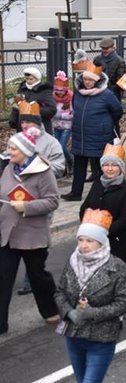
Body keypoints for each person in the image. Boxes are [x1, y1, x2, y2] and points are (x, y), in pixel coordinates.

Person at [54, 209, 126, 383]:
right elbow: (60, 292)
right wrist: (69, 312)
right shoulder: (73, 261)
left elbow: (123, 302)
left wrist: (92, 314)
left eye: (89, 241)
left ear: (101, 242)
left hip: (101, 339)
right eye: (81, 240)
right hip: (74, 337)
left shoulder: (116, 266)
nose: (84, 245)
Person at [0, 128, 60, 334]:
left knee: (37, 275)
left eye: (13, 148)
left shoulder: (43, 172)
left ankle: (52, 310)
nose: (8, 151)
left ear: (25, 151)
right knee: (3, 277)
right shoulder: (9, 168)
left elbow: (53, 201)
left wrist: (26, 207)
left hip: (32, 235)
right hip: (8, 233)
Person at [63, 62, 121, 201]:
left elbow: (117, 110)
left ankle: (101, 193)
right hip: (80, 134)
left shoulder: (106, 94)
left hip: (98, 135)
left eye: (91, 80)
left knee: (99, 167)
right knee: (79, 164)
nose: (87, 82)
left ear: (97, 81)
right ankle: (76, 192)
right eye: (86, 79)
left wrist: (104, 124)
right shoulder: (78, 93)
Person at [79, 142, 126, 267]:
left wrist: (102, 232)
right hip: (93, 241)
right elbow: (85, 207)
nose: (109, 169)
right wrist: (87, 229)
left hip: (116, 242)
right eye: (106, 165)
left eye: (114, 165)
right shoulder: (97, 184)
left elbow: (125, 219)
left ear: (120, 167)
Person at [9, 67, 55, 134]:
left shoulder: (44, 91)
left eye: (31, 79)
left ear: (37, 79)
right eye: (27, 79)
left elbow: (52, 110)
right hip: (23, 127)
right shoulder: (22, 89)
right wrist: (13, 119)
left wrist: (34, 108)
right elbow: (16, 105)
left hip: (39, 127)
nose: (28, 81)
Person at [51, 71, 74, 172]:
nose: (59, 93)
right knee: (57, 147)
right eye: (57, 90)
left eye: (62, 91)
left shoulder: (70, 100)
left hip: (66, 126)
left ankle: (70, 161)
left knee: (61, 146)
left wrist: (60, 115)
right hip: (56, 126)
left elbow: (72, 114)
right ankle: (62, 166)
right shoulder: (53, 98)